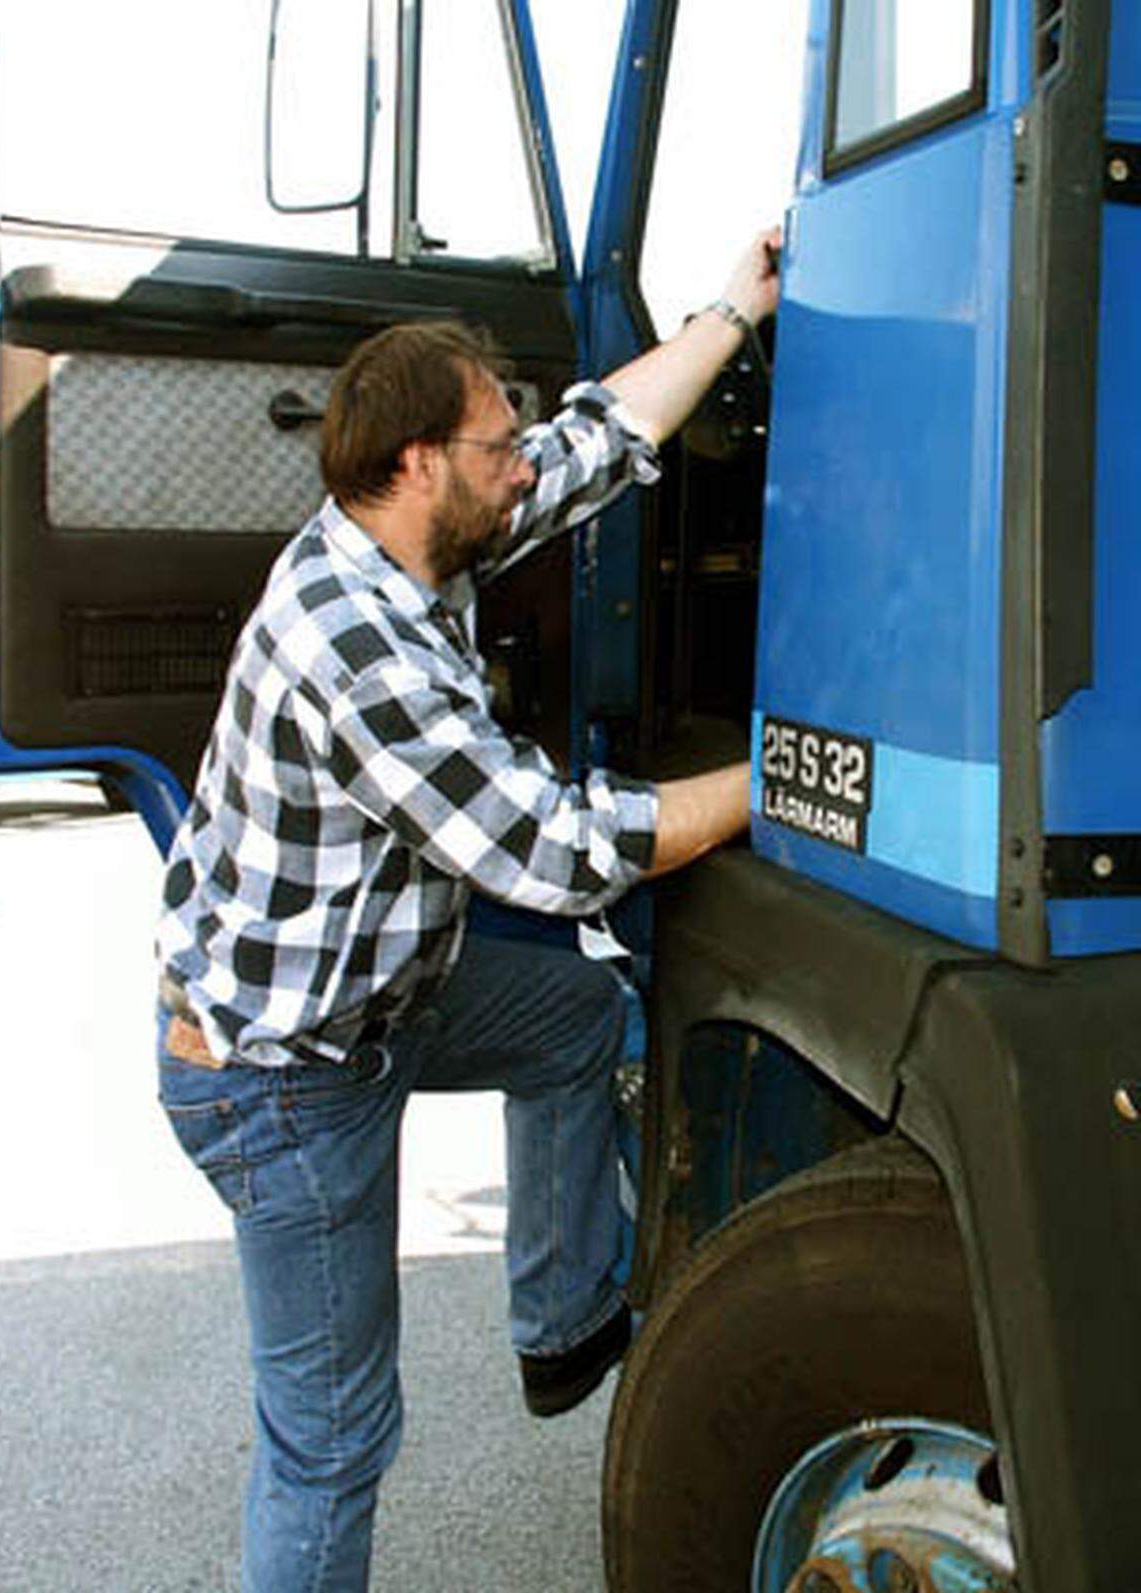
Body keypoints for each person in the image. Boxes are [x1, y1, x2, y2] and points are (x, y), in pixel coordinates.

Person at [155, 227, 781, 1592]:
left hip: (378, 1000)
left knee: (570, 1011)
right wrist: (788, 774)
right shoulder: (353, 639)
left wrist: (738, 307)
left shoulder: (417, 538)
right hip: (281, 1077)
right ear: (419, 462)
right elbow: (554, 850)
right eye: (499, 445)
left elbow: (599, 439)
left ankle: (562, 1323)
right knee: (330, 1443)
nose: (523, 462)